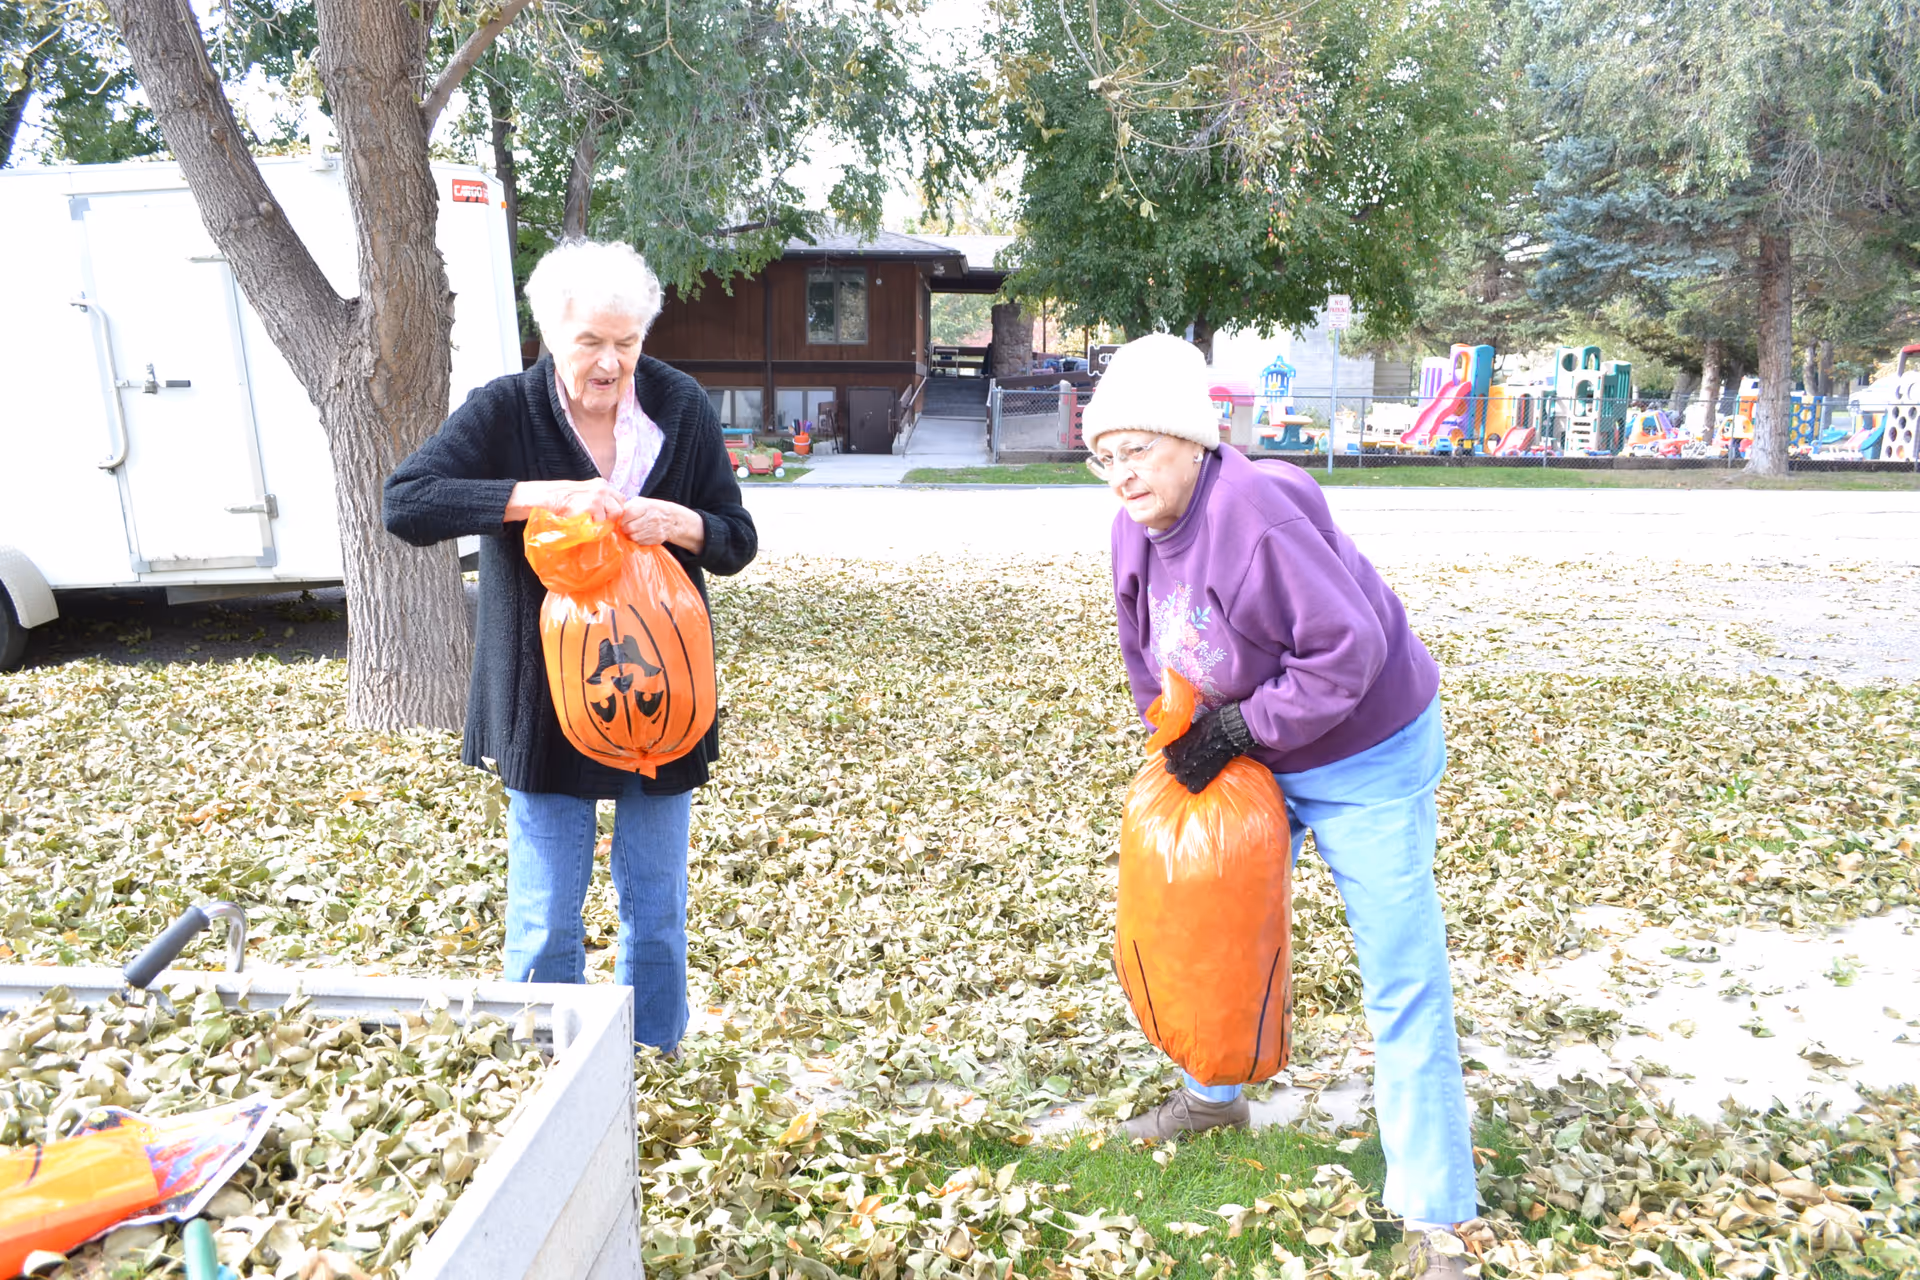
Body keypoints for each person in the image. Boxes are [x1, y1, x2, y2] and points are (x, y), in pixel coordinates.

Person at [1085, 334, 1474, 1276]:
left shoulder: (1256, 510)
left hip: (1365, 749)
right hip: (1256, 748)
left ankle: (1434, 1215)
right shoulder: (1133, 530)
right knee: (1211, 924)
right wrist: (1179, 730)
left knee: (1399, 967)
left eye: (1138, 448)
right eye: (1105, 454)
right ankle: (1212, 1092)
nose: (1122, 473)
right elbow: (1149, 657)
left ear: (1192, 439)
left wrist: (1239, 728)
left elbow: (1348, 651)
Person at [382, 239, 756, 1053]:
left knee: (655, 905)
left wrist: (683, 522)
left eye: (628, 342)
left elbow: (736, 538)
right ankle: (550, 1061)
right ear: (552, 333)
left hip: (664, 697)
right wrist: (540, 496)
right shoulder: (505, 409)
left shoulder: (681, 407)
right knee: (548, 906)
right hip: (542, 702)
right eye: (591, 342)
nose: (611, 362)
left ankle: (653, 1051)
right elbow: (406, 503)